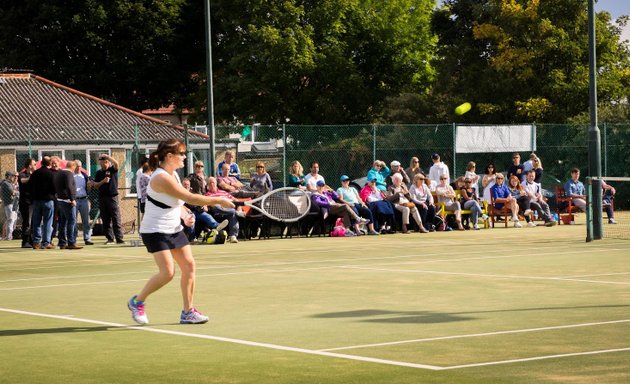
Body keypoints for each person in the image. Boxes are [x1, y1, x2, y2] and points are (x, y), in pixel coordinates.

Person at [127, 138, 235, 325]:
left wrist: (185, 215)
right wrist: (218, 200)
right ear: (169, 156)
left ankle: (188, 312)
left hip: (173, 228)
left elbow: (177, 203)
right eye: (181, 154)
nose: (185, 157)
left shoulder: (174, 175)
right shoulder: (161, 177)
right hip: (155, 230)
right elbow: (190, 197)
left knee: (189, 266)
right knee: (168, 272)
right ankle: (137, 301)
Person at [181, 177, 229, 243]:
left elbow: (202, 199)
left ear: (190, 186)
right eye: (185, 184)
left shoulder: (193, 193)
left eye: (187, 184)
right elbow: (179, 205)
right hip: (187, 212)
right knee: (192, 217)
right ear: (181, 185)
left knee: (206, 216)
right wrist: (186, 209)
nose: (186, 186)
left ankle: (217, 226)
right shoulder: (180, 193)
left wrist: (204, 205)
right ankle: (192, 238)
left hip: (197, 211)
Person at [93, 153, 125, 245]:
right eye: (101, 161)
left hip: (112, 197)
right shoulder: (99, 173)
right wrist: (103, 182)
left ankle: (119, 238)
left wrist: (108, 157)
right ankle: (110, 238)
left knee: (116, 217)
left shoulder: (112, 170)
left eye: (104, 161)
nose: (102, 163)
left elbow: (117, 164)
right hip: (102, 197)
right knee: (105, 219)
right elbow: (95, 185)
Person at [28, 156, 57, 249]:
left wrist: (33, 195)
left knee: (36, 222)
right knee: (48, 222)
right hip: (48, 200)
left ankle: (36, 242)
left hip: (36, 200)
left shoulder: (35, 173)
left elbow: (30, 186)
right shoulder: (51, 174)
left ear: (41, 163)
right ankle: (46, 242)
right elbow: (54, 187)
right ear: (49, 163)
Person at [53, 161, 82, 249]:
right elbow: (69, 186)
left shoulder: (59, 173)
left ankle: (62, 242)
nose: (75, 169)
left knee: (63, 222)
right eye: (75, 167)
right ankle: (71, 242)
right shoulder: (68, 173)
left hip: (60, 200)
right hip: (67, 201)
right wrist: (72, 199)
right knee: (71, 221)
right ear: (72, 166)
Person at [206, 176, 243, 243]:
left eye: (213, 182)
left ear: (216, 183)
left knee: (233, 214)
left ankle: (233, 236)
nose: (212, 184)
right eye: (210, 183)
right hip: (217, 212)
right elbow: (208, 205)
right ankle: (235, 212)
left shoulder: (224, 192)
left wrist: (239, 207)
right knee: (218, 207)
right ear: (208, 185)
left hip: (228, 211)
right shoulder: (207, 195)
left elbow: (235, 200)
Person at [73, 160, 94, 245]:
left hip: (84, 200)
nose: (78, 168)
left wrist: (89, 186)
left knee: (85, 220)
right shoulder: (71, 176)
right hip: (74, 200)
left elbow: (88, 189)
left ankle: (87, 238)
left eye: (80, 166)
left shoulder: (84, 176)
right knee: (73, 220)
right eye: (77, 166)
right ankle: (73, 238)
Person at [18, 158, 36, 248]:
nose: (35, 166)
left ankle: (32, 241)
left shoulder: (33, 174)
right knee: (27, 222)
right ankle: (25, 241)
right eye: (34, 164)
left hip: (33, 201)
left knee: (33, 222)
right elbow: (22, 181)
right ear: (30, 165)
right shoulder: (22, 174)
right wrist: (32, 177)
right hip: (26, 202)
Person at [1, 171, 19, 240]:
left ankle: (8, 236)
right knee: (10, 219)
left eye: (16, 176)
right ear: (8, 176)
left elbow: (15, 193)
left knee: (13, 220)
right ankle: (8, 237)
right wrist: (17, 192)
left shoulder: (13, 184)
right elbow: (13, 192)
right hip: (9, 204)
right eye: (13, 176)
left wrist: (16, 192)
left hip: (14, 204)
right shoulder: (6, 183)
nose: (15, 177)